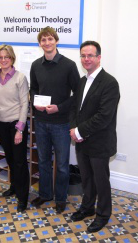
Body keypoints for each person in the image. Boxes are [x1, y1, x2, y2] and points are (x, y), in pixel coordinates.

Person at [69, 41, 120, 232]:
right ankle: (87, 208)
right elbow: (76, 108)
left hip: (99, 142)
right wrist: (74, 128)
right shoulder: (83, 81)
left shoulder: (110, 83)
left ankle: (103, 215)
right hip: (82, 142)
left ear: (99, 57)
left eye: (90, 55)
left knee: (101, 180)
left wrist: (79, 131)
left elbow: (104, 116)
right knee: (87, 178)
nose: (86, 59)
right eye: (83, 55)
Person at [30, 27, 80, 214]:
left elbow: (77, 94)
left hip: (61, 123)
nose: (47, 43)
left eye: (50, 39)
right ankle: (45, 194)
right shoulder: (36, 65)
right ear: (40, 43)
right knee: (42, 160)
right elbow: (33, 89)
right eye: (43, 40)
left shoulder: (69, 65)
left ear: (56, 41)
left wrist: (59, 107)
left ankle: (60, 198)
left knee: (61, 164)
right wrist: (36, 103)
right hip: (41, 121)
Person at [0, 44, 30, 212]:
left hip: (15, 124)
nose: (3, 60)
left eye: (6, 57)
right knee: (10, 158)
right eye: (0, 57)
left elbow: (24, 104)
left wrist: (20, 129)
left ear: (12, 58)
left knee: (19, 162)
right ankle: (14, 187)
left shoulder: (20, 78)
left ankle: (23, 197)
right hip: (0, 122)